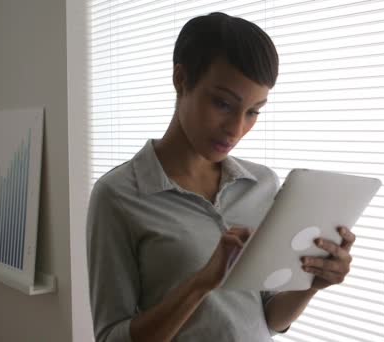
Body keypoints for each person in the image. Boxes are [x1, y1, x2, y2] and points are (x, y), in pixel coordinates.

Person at [86, 12, 356, 342]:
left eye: (253, 111)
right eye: (223, 103)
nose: (237, 128)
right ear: (181, 79)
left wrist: (312, 285)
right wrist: (201, 283)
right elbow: (112, 337)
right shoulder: (118, 195)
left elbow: (265, 317)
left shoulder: (263, 185)